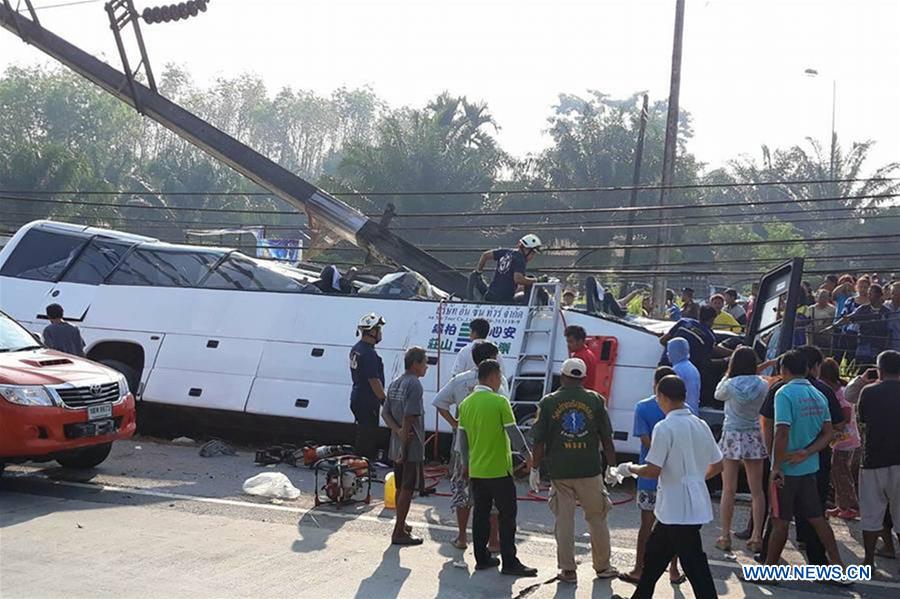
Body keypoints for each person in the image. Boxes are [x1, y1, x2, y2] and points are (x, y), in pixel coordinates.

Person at [617, 376, 724, 599]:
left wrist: (630, 468)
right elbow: (718, 464)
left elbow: (653, 469)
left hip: (677, 508)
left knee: (694, 564)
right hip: (686, 506)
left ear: (663, 397)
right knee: (655, 555)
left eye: (658, 397)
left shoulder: (665, 427)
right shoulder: (700, 424)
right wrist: (695, 479)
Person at [530, 358, 618, 583]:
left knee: (565, 521)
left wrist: (534, 468)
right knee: (597, 518)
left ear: (563, 376)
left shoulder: (548, 402)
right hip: (590, 469)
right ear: (583, 378)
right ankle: (603, 567)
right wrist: (612, 466)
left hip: (560, 471)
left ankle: (568, 570)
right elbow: (606, 438)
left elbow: (538, 441)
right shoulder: (596, 400)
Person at [760, 350, 847, 579]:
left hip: (786, 468)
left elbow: (781, 432)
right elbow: (829, 433)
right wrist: (807, 452)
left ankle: (768, 570)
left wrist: (775, 466)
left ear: (784, 370)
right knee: (817, 519)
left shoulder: (783, 392)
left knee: (780, 522)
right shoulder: (818, 393)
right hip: (809, 467)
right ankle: (838, 567)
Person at [458, 359, 537, 577]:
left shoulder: (466, 404)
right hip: (499, 471)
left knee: (481, 514)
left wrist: (465, 464)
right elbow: (514, 433)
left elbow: (462, 440)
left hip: (476, 470)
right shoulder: (499, 402)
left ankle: (481, 558)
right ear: (493, 376)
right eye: (499, 376)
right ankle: (510, 561)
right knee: (507, 515)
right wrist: (528, 456)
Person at [433, 342, 507, 551]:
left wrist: (455, 424)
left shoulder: (460, 380)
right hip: (490, 445)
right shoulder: (497, 384)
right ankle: (493, 541)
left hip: (461, 444)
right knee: (492, 491)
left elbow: (440, 402)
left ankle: (462, 537)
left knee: (462, 490)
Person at [620, 366, 685, 587]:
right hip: (674, 475)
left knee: (646, 524)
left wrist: (659, 456)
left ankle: (639, 568)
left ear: (656, 386)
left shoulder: (643, 407)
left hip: (649, 474)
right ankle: (674, 570)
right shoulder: (684, 411)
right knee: (674, 525)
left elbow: (646, 441)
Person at [714, 347, 768, 554]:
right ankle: (756, 537)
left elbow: (717, 394)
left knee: (729, 489)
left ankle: (725, 535)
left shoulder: (729, 384)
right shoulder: (762, 384)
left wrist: (728, 374)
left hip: (732, 434)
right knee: (757, 491)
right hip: (754, 433)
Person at [857, 350, 900, 568]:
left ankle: (868, 561)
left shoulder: (869, 392)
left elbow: (862, 420)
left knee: (871, 513)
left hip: (873, 458)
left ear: (879, 370)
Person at [382, 347, 428, 546]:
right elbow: (410, 416)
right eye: (425, 362)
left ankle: (401, 523)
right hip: (410, 443)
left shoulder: (395, 383)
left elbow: (385, 414)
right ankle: (398, 530)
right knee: (408, 487)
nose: (426, 366)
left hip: (396, 440)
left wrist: (396, 431)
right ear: (416, 364)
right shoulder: (415, 384)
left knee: (401, 485)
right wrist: (404, 439)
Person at [820, 358, 860, 520]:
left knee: (842, 475)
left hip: (845, 442)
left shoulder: (841, 394)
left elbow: (845, 418)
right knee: (836, 475)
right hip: (839, 442)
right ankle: (841, 505)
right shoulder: (838, 391)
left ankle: (851, 506)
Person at [349, 313, 386, 461]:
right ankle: (362, 464)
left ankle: (360, 462)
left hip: (357, 396)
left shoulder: (357, 348)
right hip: (367, 400)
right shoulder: (369, 354)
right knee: (368, 434)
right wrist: (383, 399)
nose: (381, 333)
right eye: (379, 329)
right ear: (372, 331)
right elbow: (373, 380)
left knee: (363, 432)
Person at [474, 234, 542, 303]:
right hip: (504, 299)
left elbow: (485, 255)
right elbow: (518, 279)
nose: (532, 257)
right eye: (533, 253)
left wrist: (478, 272)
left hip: (490, 295)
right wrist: (537, 280)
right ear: (527, 250)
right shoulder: (520, 259)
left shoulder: (505, 252)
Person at [840, 283, 891, 366]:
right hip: (864, 345)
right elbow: (849, 318)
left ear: (878, 295)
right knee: (862, 367)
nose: (868, 296)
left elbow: (889, 330)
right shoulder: (863, 309)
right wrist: (842, 319)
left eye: (871, 294)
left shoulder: (886, 312)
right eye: (868, 294)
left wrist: (887, 345)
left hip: (879, 346)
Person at [665, 338, 701, 416]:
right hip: (693, 413)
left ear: (675, 352)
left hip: (680, 414)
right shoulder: (692, 368)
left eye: (669, 351)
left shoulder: (676, 370)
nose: (667, 354)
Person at [565, 325, 598, 392]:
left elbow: (573, 383)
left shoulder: (578, 358)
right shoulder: (590, 354)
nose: (568, 345)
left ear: (580, 341)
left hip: (578, 396)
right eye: (567, 342)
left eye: (570, 342)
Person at [885, 282, 900, 351]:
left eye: (897, 294)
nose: (894, 296)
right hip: (885, 344)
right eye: (893, 293)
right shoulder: (885, 305)